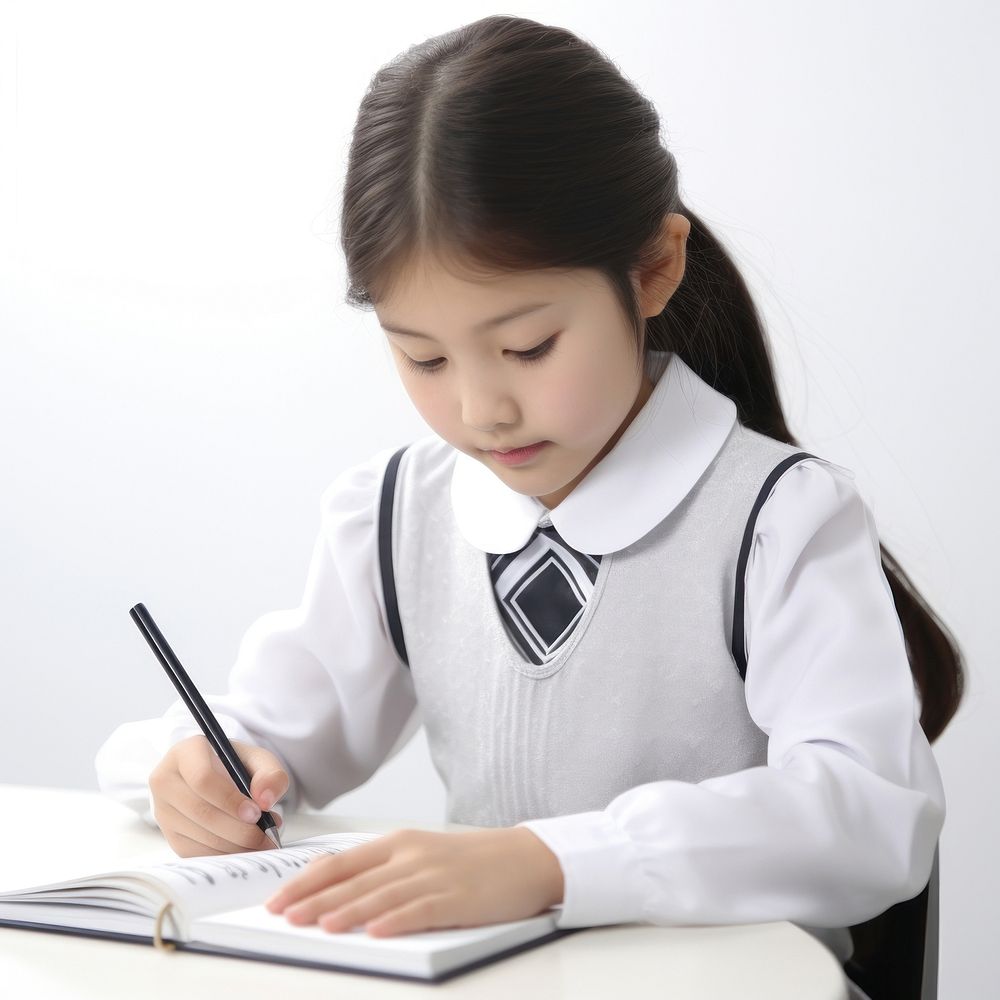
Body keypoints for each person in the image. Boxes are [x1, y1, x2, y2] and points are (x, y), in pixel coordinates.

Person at [94, 15, 964, 999]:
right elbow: (274, 731)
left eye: (527, 347)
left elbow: (869, 816)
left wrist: (549, 863)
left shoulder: (774, 519)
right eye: (421, 356)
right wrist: (199, 768)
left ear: (652, 270)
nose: (478, 408)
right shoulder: (395, 514)